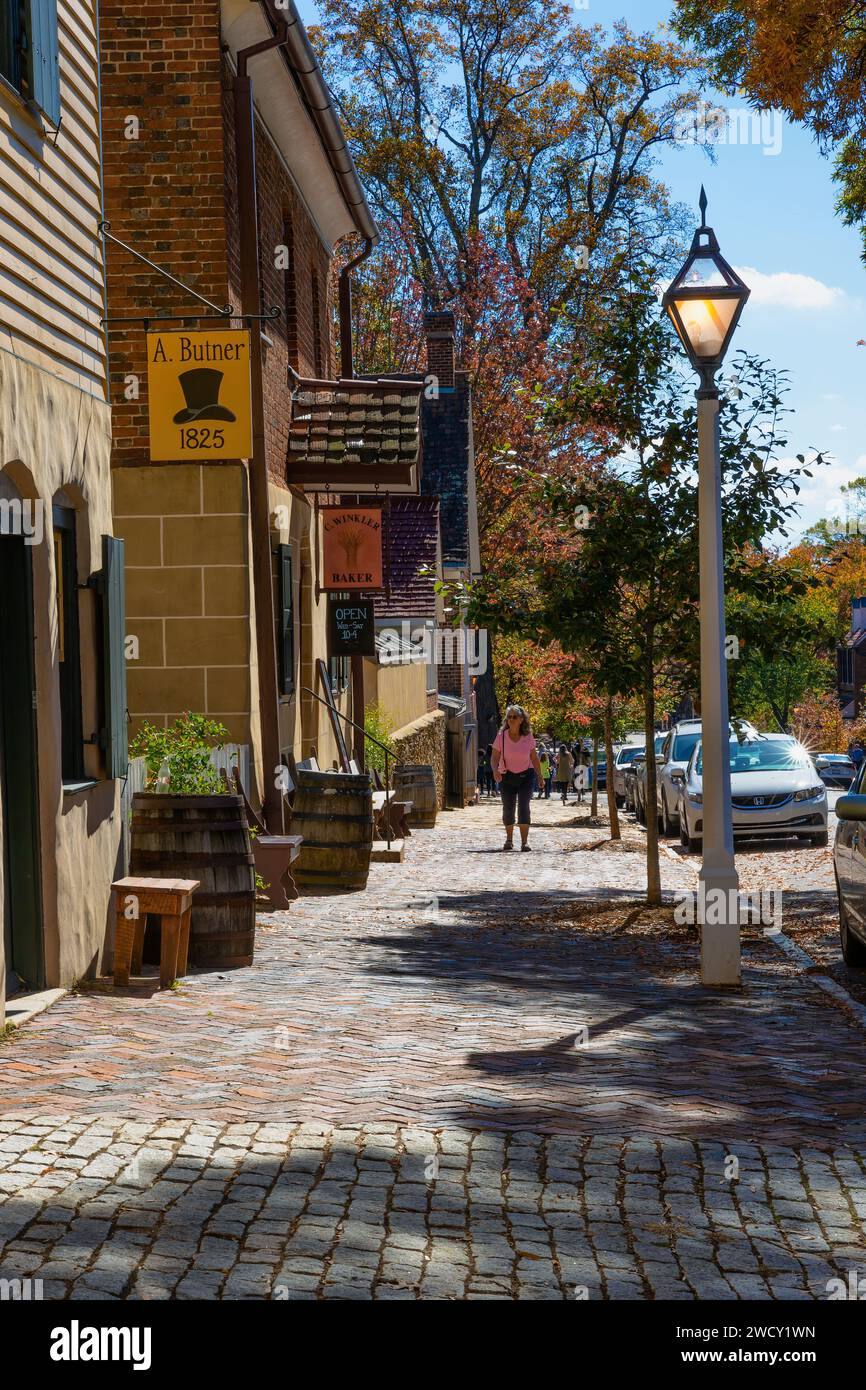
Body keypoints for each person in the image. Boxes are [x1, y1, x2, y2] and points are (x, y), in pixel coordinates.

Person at [492, 706, 542, 851]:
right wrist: (495, 770)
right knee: (508, 807)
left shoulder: (528, 737)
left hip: (526, 775)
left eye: (514, 717)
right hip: (506, 775)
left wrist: (540, 776)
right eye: (509, 717)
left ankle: (524, 842)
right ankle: (509, 840)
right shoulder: (501, 736)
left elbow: (534, 757)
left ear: (521, 720)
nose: (511, 719)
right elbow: (494, 757)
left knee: (524, 807)